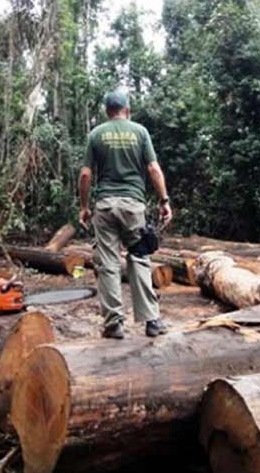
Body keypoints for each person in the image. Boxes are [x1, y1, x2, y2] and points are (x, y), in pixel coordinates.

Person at [78, 91, 173, 339]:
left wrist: (84, 207)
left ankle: (113, 325)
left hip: (105, 206)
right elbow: (153, 168)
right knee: (140, 259)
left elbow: (86, 174)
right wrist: (164, 201)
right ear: (127, 109)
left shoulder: (96, 134)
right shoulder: (140, 132)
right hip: (133, 206)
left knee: (108, 263)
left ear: (106, 111)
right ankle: (152, 321)